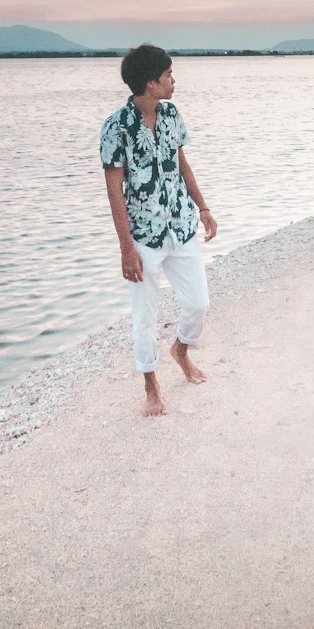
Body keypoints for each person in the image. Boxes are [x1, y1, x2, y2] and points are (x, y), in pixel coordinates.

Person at [100, 43, 217, 416]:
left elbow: (183, 165)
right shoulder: (116, 128)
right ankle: (151, 386)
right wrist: (125, 248)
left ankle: (181, 350)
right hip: (143, 236)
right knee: (144, 316)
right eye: (168, 75)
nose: (173, 81)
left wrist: (204, 208)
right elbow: (114, 191)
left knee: (199, 303)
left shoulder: (170, 115)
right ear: (150, 83)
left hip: (180, 226)